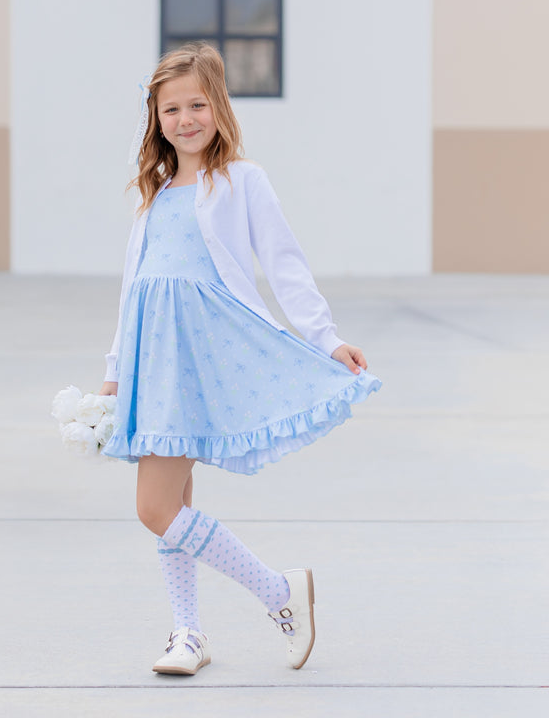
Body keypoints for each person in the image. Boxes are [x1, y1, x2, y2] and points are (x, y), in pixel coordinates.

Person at [98, 42, 381, 676]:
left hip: (206, 355)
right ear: (156, 118)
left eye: (198, 104)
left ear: (220, 108)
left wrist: (325, 338)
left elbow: (284, 264)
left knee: (155, 509)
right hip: (156, 363)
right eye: (171, 108)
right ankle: (188, 633)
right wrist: (116, 371)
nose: (186, 119)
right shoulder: (155, 191)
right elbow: (132, 288)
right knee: (175, 505)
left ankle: (280, 592)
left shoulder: (242, 181)